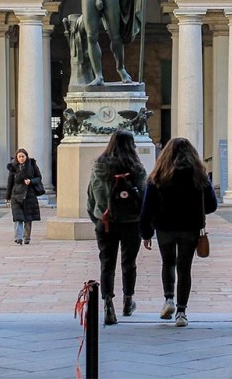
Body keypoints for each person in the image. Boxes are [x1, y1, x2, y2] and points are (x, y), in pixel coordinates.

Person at [140, 137, 217, 327]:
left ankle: (169, 300)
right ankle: (182, 312)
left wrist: (146, 233)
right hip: (190, 227)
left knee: (168, 264)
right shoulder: (199, 175)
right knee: (185, 268)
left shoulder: (158, 176)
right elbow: (211, 205)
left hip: (164, 227)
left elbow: (147, 208)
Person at [87, 129, 146, 325]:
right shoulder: (136, 168)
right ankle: (128, 301)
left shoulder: (99, 167)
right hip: (131, 222)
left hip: (106, 223)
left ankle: (107, 303)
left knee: (107, 264)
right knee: (129, 263)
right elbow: (144, 198)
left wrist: (97, 218)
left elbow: (91, 197)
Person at [5, 148, 42, 245]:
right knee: (18, 217)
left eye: (23, 156)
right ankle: (18, 237)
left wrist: (31, 181)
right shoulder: (13, 167)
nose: (21, 158)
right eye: (19, 157)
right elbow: (10, 182)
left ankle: (27, 237)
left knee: (28, 218)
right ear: (17, 158)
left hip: (29, 194)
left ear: (26, 156)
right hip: (16, 195)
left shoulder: (32, 165)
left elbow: (39, 177)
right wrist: (7, 197)